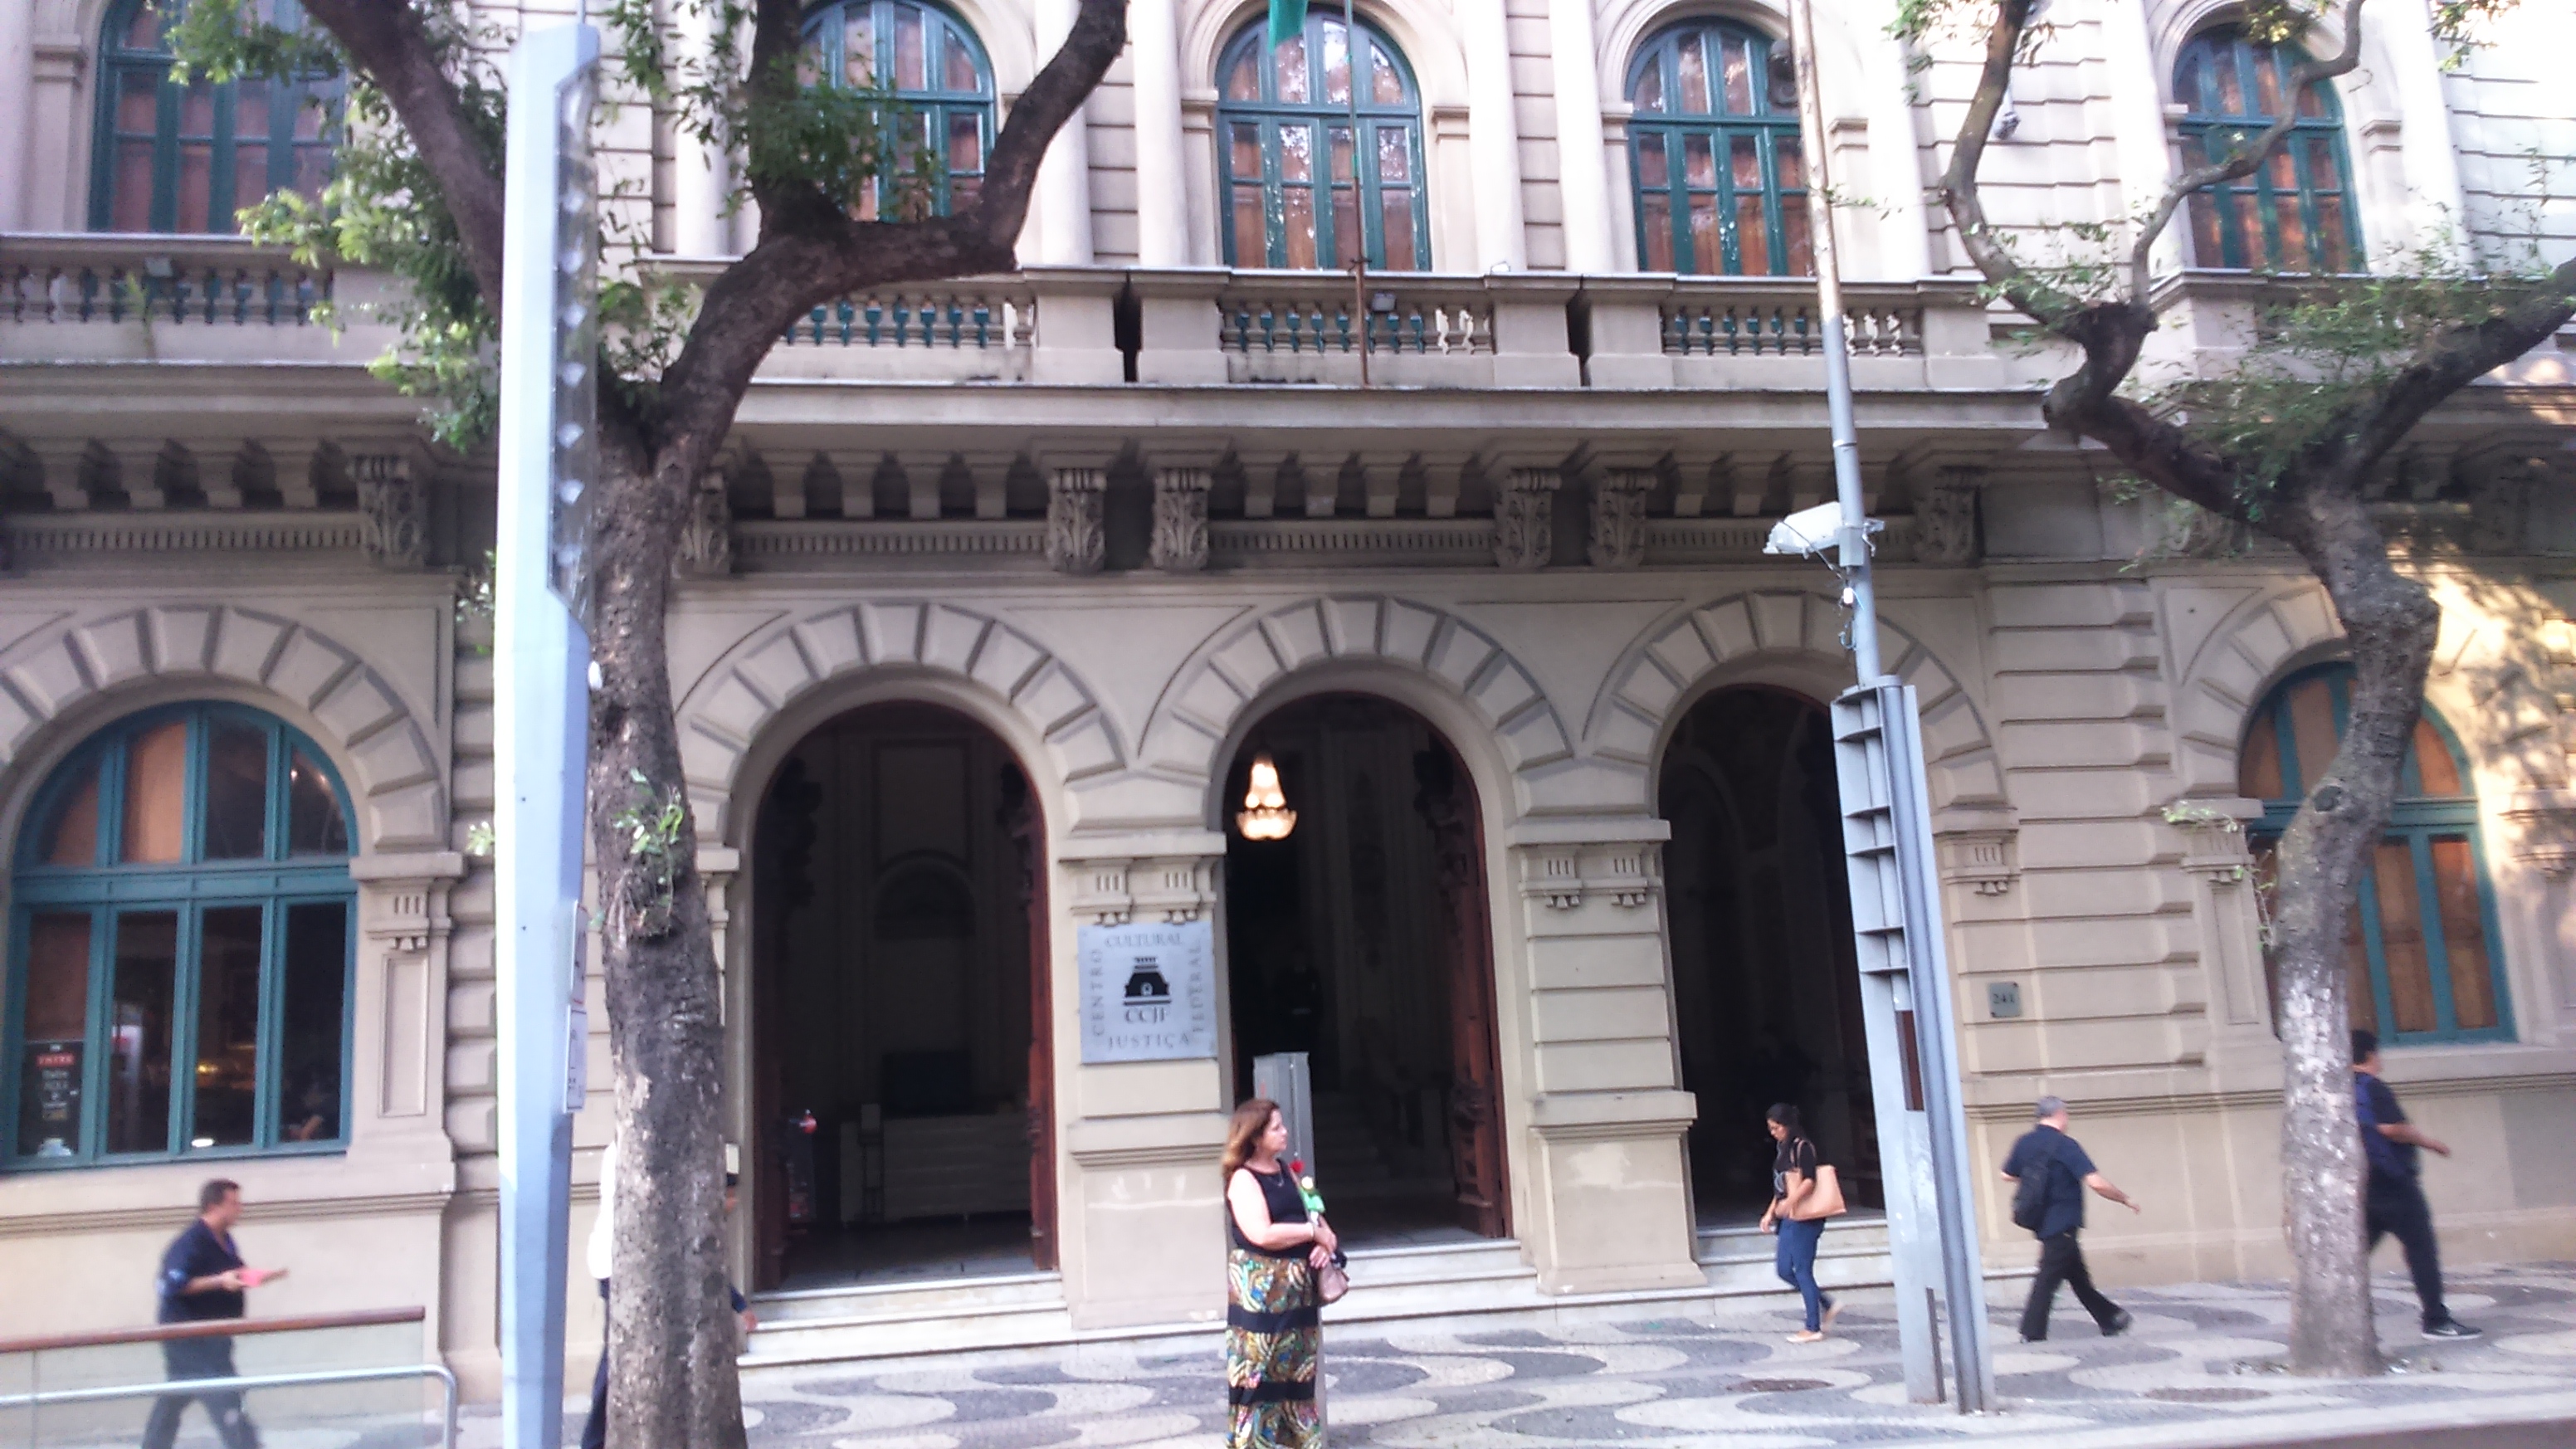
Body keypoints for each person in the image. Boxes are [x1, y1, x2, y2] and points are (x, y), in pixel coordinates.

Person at [1222, 1098, 1336, 1449]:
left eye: (1282, 1125)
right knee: (1259, 1377)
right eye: (1276, 1127)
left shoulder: (1289, 1172)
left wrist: (1323, 1243)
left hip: (1297, 1299)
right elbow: (1262, 1234)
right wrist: (1309, 1234)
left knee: (1296, 1378)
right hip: (1261, 1300)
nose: (1285, 1132)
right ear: (1255, 1137)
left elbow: (1319, 1221)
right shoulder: (1243, 1179)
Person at [2354, 1029, 2480, 1339]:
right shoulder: (2373, 1088)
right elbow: (2389, 1128)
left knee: (2353, 1254)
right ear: (2370, 1055)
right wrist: (2427, 1141)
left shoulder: (2335, 1088)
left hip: (2360, 1183)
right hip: (2393, 1182)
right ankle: (2436, 1320)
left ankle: (2335, 1321)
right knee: (2421, 1248)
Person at [144, 1179, 281, 1449]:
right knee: (225, 1396)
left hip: (214, 1335)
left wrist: (258, 1277)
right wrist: (219, 1281)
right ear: (214, 1206)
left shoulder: (225, 1241)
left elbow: (234, 1276)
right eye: (234, 1203)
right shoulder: (191, 1242)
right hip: (190, 1337)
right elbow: (172, 1285)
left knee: (175, 1396)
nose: (240, 1209)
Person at [2001, 1095, 2139, 1343]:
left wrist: (2036, 1180)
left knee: (2078, 1277)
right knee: (2048, 1277)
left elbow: (2006, 1175)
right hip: (2063, 1221)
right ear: (2060, 1115)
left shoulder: (2025, 1142)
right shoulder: (2066, 1145)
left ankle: (2111, 1318)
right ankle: (2031, 1332)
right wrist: (2124, 1199)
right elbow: (2096, 1183)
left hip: (2041, 1220)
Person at [1757, 1104, 1840, 1343]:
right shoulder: (1782, 1148)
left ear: (1788, 1125)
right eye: (1771, 1128)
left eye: (1777, 1127)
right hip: (1788, 1217)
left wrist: (1789, 1203)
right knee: (1784, 1269)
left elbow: (1808, 1181)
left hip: (1805, 1217)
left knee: (1803, 1270)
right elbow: (1781, 1187)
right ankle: (1826, 1302)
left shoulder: (1803, 1147)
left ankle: (1813, 1327)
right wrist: (1770, 1212)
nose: (1773, 1132)